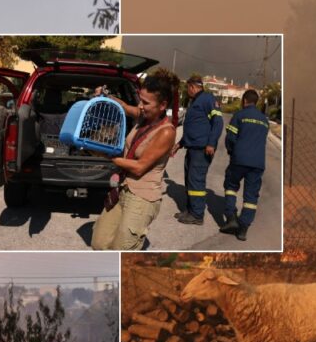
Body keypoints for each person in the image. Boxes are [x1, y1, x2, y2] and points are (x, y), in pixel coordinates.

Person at [91, 70, 179, 250]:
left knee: (122, 250)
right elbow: (123, 106)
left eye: (145, 102)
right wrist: (107, 96)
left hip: (142, 198)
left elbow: (139, 167)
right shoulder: (143, 116)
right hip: (123, 189)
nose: (140, 105)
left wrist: (107, 155)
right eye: (140, 99)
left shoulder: (166, 132)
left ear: (162, 105)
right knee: (99, 243)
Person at [220, 89, 270, 241]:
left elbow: (230, 138)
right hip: (258, 163)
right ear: (256, 102)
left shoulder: (240, 115)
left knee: (230, 186)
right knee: (251, 196)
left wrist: (231, 152)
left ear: (244, 100)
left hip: (239, 160)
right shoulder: (265, 120)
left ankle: (231, 218)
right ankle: (243, 229)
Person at [172, 75, 223, 225]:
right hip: (192, 148)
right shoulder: (195, 101)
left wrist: (211, 143)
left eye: (188, 88)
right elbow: (192, 127)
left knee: (196, 181)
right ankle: (190, 210)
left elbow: (218, 122)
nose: (187, 91)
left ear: (193, 87)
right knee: (190, 180)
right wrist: (179, 144)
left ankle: (197, 214)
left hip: (202, 149)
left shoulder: (208, 99)